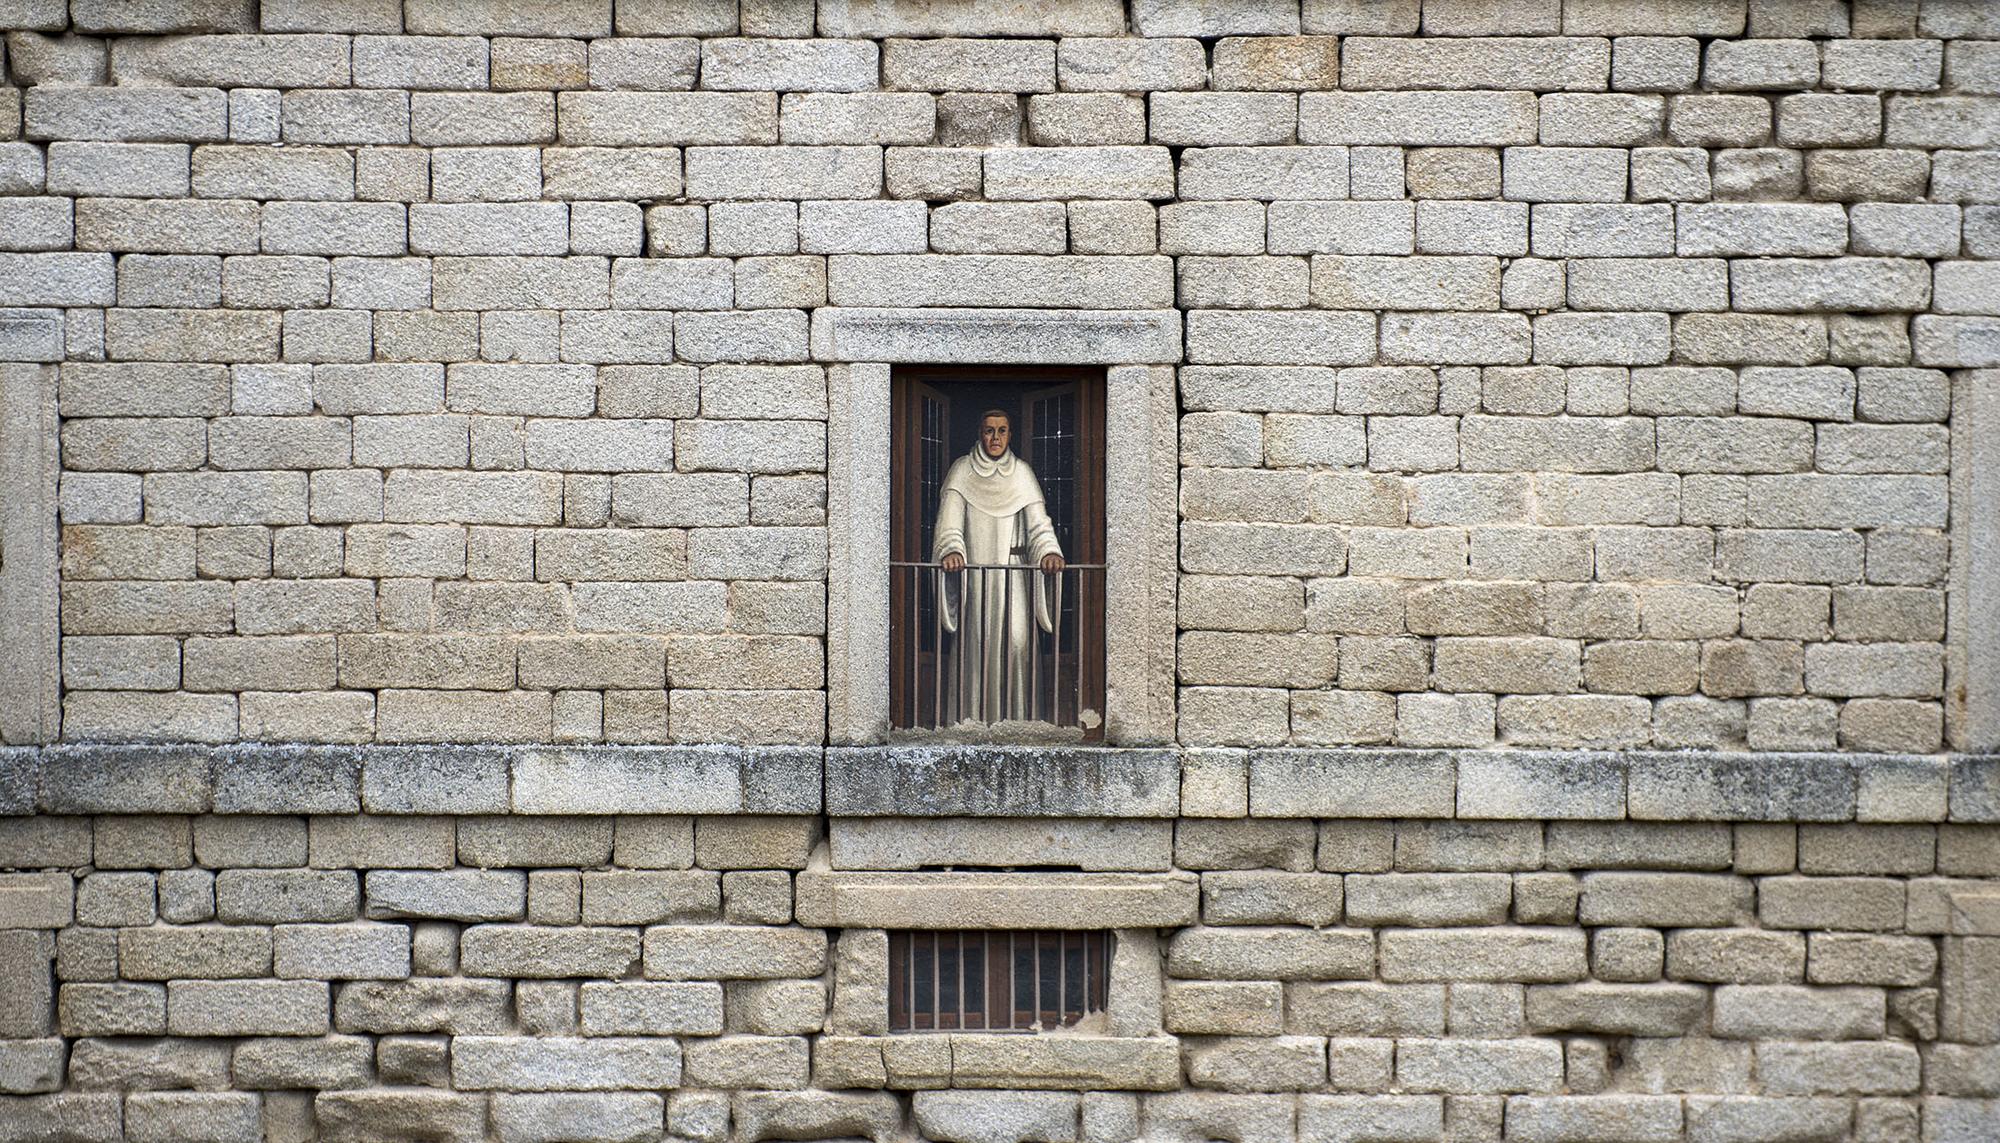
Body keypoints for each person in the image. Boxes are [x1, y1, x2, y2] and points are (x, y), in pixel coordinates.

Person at [931, 409, 1065, 723]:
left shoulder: (1022, 474)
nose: (995, 438)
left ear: (1009, 435)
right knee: (977, 647)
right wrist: (952, 551)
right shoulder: (961, 471)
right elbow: (949, 526)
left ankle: (1017, 723)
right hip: (976, 578)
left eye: (1002, 431)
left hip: (1016, 576)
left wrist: (1048, 552)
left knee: (1018, 643)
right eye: (989, 430)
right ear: (979, 432)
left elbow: (1039, 527)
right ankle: (971, 723)